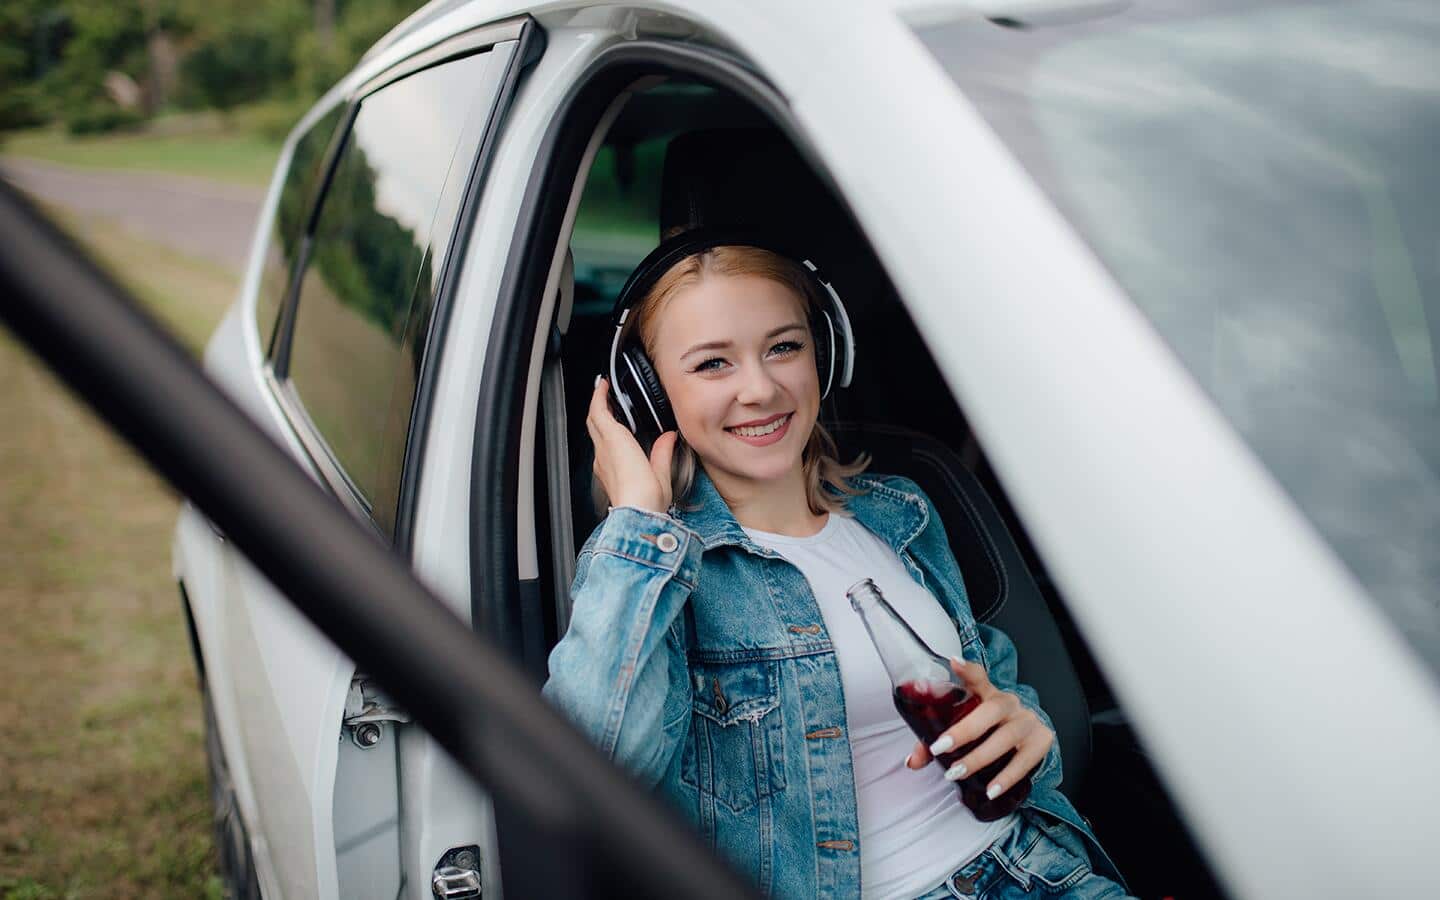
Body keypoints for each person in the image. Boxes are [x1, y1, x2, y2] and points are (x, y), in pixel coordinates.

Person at [543, 229, 1129, 899]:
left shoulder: (899, 512)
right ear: (649, 394)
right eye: (713, 364)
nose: (761, 389)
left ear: (826, 354)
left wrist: (1030, 732)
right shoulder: (651, 572)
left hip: (1036, 866)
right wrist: (640, 522)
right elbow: (580, 777)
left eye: (783, 347)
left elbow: (994, 689)